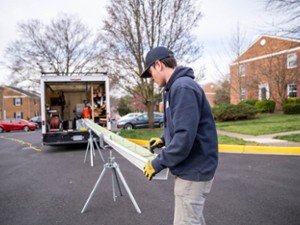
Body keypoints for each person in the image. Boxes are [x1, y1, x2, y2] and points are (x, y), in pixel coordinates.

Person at [141, 46, 218, 225]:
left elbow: (184, 137)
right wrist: (164, 138)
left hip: (194, 170)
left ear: (158, 65)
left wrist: (158, 162)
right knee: (193, 219)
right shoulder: (175, 87)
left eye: (150, 72)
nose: (151, 79)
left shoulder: (182, 87)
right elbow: (181, 125)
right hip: (192, 168)